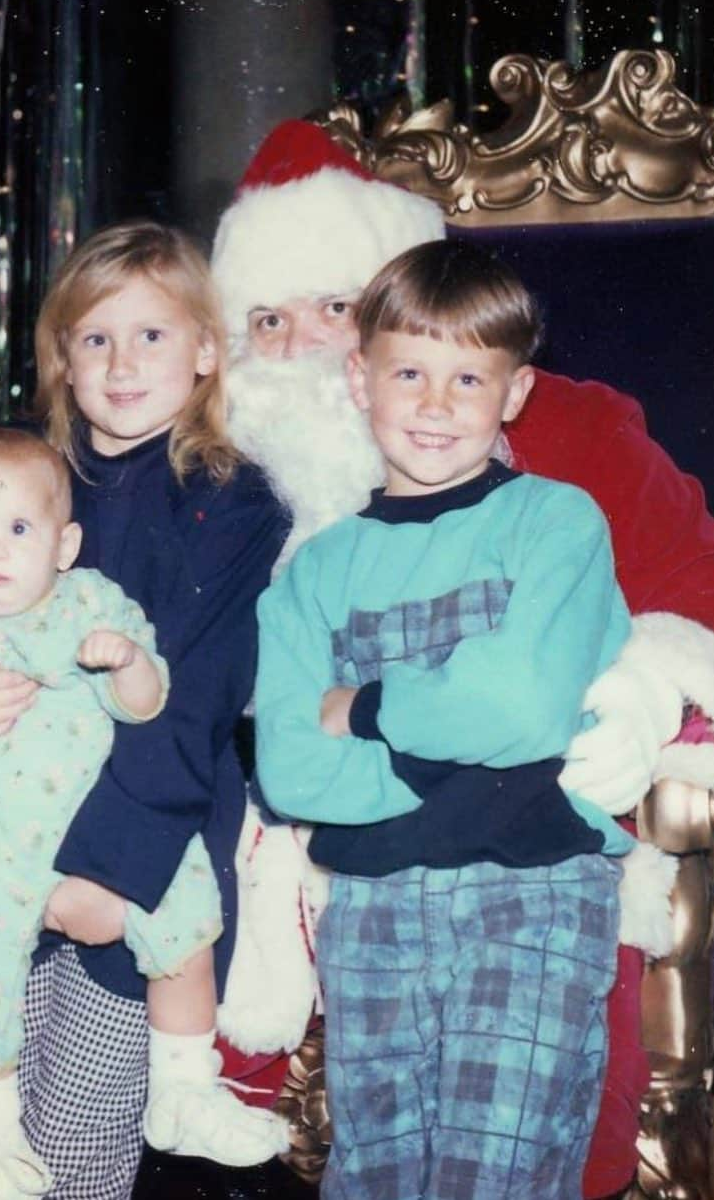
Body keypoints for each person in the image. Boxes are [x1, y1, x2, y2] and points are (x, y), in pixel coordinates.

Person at [210, 118, 714, 1197]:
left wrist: (640, 690)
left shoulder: (569, 455)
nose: (304, 344)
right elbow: (271, 737)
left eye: (333, 306)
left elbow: (713, 593)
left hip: (527, 873)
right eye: (267, 319)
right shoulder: (218, 479)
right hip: (344, 884)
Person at [0, 222, 291, 1200]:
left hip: (133, 850)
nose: (120, 362)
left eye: (151, 335)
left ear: (203, 350)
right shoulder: (22, 471)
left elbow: (187, 705)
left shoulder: (228, 502)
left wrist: (102, 871)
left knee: (70, 1140)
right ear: (60, 355)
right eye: (94, 337)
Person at [257, 238, 633, 1197]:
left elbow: (523, 705)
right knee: (376, 1176)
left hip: (532, 893)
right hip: (373, 907)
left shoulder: (556, 521)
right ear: (360, 377)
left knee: (492, 1172)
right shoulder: (315, 571)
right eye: (409, 372)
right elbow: (295, 768)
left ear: (513, 393)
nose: (434, 404)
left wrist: (370, 706)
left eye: (468, 377)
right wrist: (465, 753)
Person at [0, 426, 281, 1196]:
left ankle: (183, 1087)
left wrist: (129, 661)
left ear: (64, 544)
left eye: (18, 530)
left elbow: (153, 702)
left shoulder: (91, 604)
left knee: (184, 913)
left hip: (86, 837)